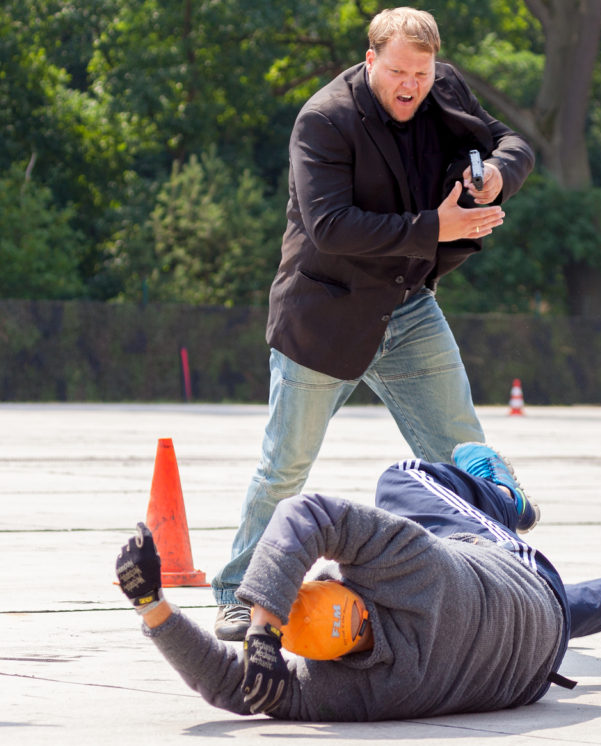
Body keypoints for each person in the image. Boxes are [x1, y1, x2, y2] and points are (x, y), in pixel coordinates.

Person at [210, 6, 537, 641]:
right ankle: (235, 591)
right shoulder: (324, 120)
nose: (411, 85)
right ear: (369, 61)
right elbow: (330, 227)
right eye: (398, 72)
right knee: (286, 467)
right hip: (326, 314)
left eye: (422, 71)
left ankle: (500, 589)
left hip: (408, 305)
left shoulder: (442, 87)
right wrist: (436, 227)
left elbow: (514, 142)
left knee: (465, 458)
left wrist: (498, 173)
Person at [117, 444, 601, 720]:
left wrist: (153, 609)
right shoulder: (413, 569)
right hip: (525, 579)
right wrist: (261, 624)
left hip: (531, 663)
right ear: (342, 588)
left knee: (529, 621)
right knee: (401, 480)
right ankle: (508, 501)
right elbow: (307, 513)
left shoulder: (346, 691)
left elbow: (230, 687)